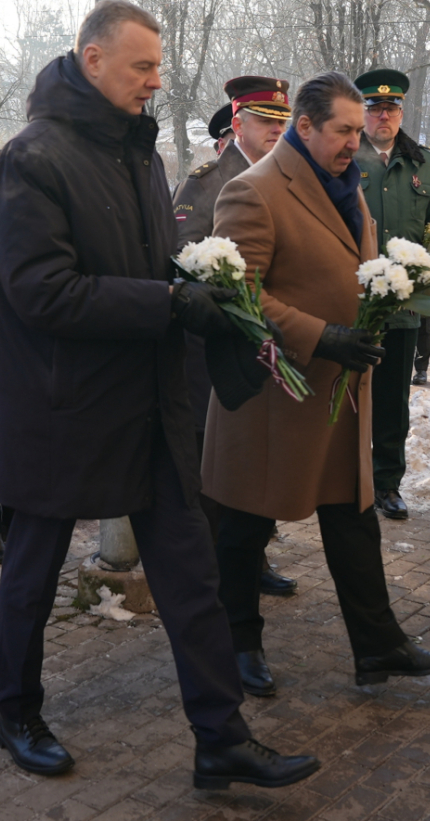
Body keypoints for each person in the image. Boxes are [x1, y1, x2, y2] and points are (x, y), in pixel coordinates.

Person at [0, 0, 319, 789]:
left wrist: (210, 287)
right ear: (92, 60)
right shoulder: (32, 157)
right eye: (142, 67)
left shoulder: (141, 154)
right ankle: (16, 712)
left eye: (158, 67)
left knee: (189, 571)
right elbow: (42, 292)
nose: (155, 82)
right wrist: (168, 305)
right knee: (32, 573)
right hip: (60, 409)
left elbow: (156, 257)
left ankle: (220, 737)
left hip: (150, 402)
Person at [206, 71, 430, 698]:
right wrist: (321, 336)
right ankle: (235, 645)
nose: (355, 141)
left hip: (338, 394)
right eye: (343, 130)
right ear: (304, 127)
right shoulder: (254, 190)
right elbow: (239, 294)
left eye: (357, 130)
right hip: (275, 397)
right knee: (241, 530)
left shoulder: (348, 184)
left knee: (353, 518)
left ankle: (379, 646)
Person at [173, 75, 298, 598]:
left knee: (262, 457)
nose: (275, 131)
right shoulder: (207, 181)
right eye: (266, 121)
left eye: (282, 122)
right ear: (238, 122)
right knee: (220, 461)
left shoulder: (291, 178)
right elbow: (183, 254)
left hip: (275, 338)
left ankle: (254, 554)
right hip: (221, 345)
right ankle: (214, 565)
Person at [353, 68, 430, 520]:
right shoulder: (344, 156)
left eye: (390, 109)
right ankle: (346, 480)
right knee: (347, 395)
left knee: (393, 403)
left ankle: (387, 484)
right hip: (351, 303)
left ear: (401, 112)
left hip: (404, 306)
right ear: (363, 113)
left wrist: (426, 283)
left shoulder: (425, 163)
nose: (383, 116)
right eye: (374, 109)